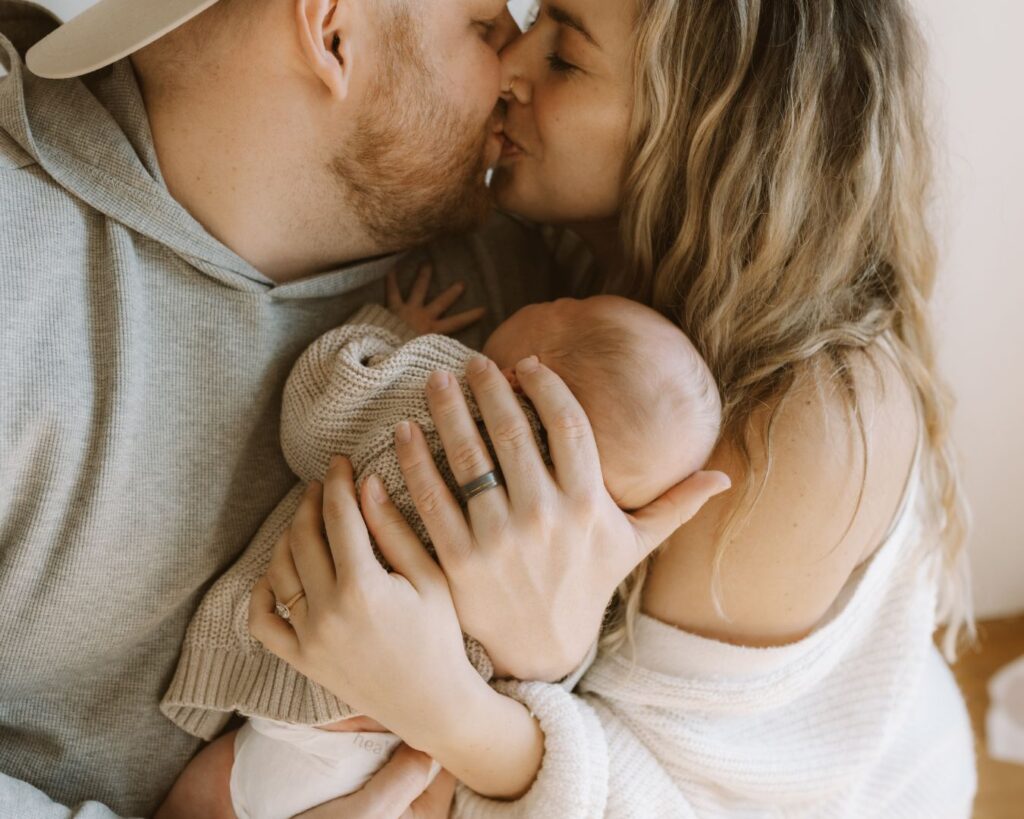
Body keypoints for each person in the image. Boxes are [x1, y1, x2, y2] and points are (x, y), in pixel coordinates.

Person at [245, 0, 981, 815]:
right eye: (532, 19)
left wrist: (458, 703)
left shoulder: (808, 418)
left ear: (711, 128)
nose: (508, 64)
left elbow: (680, 796)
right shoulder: (562, 264)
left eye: (564, 56)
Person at [0, 0, 728, 816]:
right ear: (333, 31)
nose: (514, 69)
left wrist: (549, 647)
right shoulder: (18, 271)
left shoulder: (515, 284)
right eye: (485, 29)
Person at [155, 274, 721, 819]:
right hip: (413, 754)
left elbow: (314, 421)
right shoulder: (576, 554)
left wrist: (391, 333)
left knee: (192, 805)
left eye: (567, 302)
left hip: (303, 702)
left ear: (526, 377)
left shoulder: (437, 391)